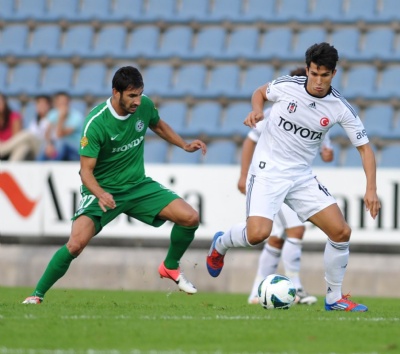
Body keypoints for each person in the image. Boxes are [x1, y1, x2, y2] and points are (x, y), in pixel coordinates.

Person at [207, 43, 380, 312]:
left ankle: (334, 298)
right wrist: (256, 110)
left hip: (300, 175)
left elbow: (365, 149)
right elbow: (259, 92)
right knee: (257, 235)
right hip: (267, 170)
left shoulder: (340, 108)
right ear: (307, 69)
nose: (319, 81)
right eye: (314, 74)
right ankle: (220, 243)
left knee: (341, 231)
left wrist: (371, 189)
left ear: (334, 73)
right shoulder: (288, 85)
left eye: (325, 75)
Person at [23, 66, 207, 304]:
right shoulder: (96, 123)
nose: (138, 101)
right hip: (104, 190)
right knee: (76, 244)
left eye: (140, 94)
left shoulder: (144, 106)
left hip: (137, 186)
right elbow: (85, 172)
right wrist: (100, 193)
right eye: (132, 95)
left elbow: (158, 125)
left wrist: (184, 145)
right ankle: (36, 295)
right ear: (116, 93)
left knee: (190, 217)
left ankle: (170, 266)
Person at [240, 107, 334, 305]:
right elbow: (251, 139)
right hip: (272, 179)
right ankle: (296, 285)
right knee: (295, 230)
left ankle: (256, 292)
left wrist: (327, 154)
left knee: (276, 238)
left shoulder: (320, 117)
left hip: (296, 182)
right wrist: (243, 175)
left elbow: (325, 151)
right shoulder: (278, 111)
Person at [37, 91, 83, 161]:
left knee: (60, 143)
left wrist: (61, 119)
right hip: (58, 146)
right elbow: (47, 133)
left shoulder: (77, 117)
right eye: (60, 102)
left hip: (75, 149)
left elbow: (59, 134)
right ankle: (38, 166)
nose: (63, 104)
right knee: (44, 146)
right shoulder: (52, 114)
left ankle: (53, 164)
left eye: (65, 102)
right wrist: (49, 145)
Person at [0, 93, 24, 161]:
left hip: (11, 149)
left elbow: (17, 138)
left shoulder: (14, 116)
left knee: (22, 148)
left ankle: (12, 168)